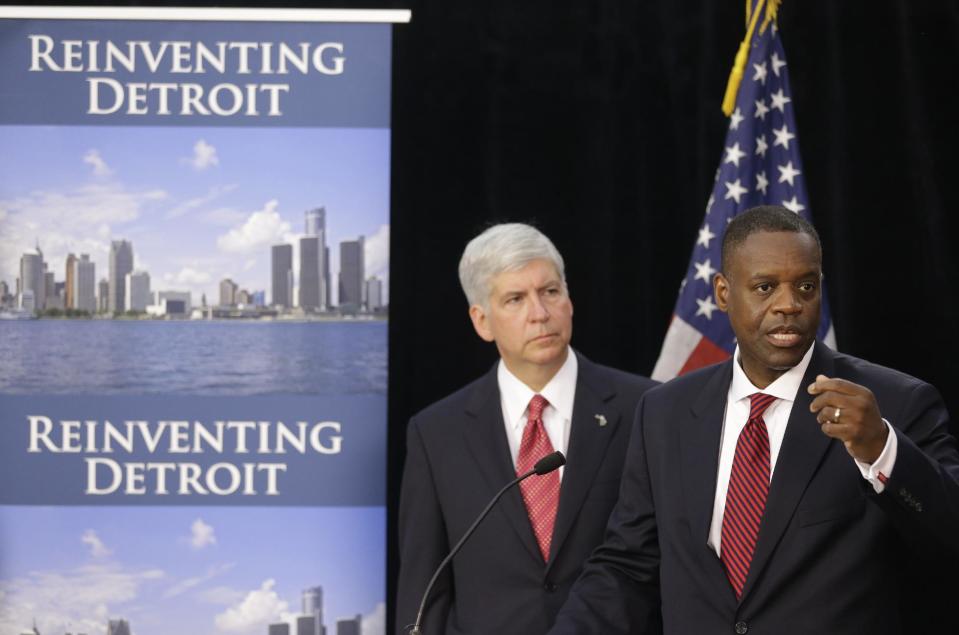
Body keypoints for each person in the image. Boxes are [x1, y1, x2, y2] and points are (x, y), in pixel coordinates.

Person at [550, 205, 959, 634]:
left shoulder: (893, 404)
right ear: (724, 293)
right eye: (765, 287)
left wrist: (882, 449)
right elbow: (628, 566)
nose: (789, 304)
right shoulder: (664, 412)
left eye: (805, 286)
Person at [395, 223, 658, 634]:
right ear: (482, 321)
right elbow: (424, 593)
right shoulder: (436, 434)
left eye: (550, 291)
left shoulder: (647, 408)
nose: (540, 313)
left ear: (569, 299)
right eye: (516, 299)